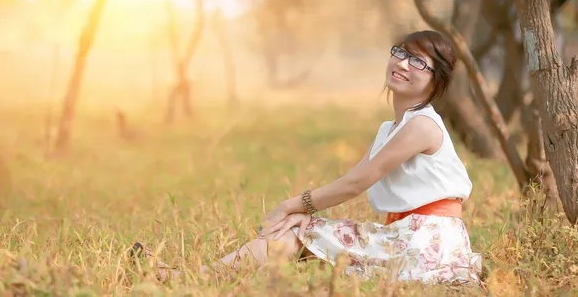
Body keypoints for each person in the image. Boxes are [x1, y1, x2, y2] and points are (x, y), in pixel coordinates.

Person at [131, 30, 482, 285]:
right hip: (410, 234)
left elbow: (357, 183)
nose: (403, 63)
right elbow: (355, 178)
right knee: (302, 232)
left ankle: (184, 279)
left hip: (425, 242)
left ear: (436, 82)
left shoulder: (422, 125)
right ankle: (189, 278)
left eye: (419, 61)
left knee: (300, 230)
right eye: (401, 52)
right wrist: (303, 214)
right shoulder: (393, 127)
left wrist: (291, 206)